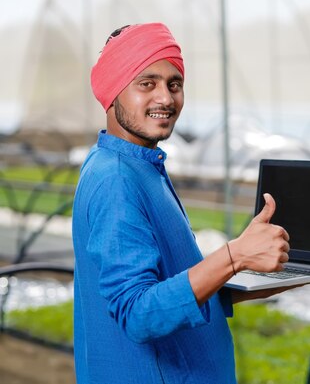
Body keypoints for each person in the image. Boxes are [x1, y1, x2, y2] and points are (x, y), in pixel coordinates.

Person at [72, 22, 292, 384]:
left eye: (174, 85)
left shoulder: (139, 166)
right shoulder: (116, 180)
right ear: (113, 91)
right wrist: (233, 256)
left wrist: (277, 273)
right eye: (147, 83)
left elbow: (174, 290)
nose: (165, 98)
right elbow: (138, 314)